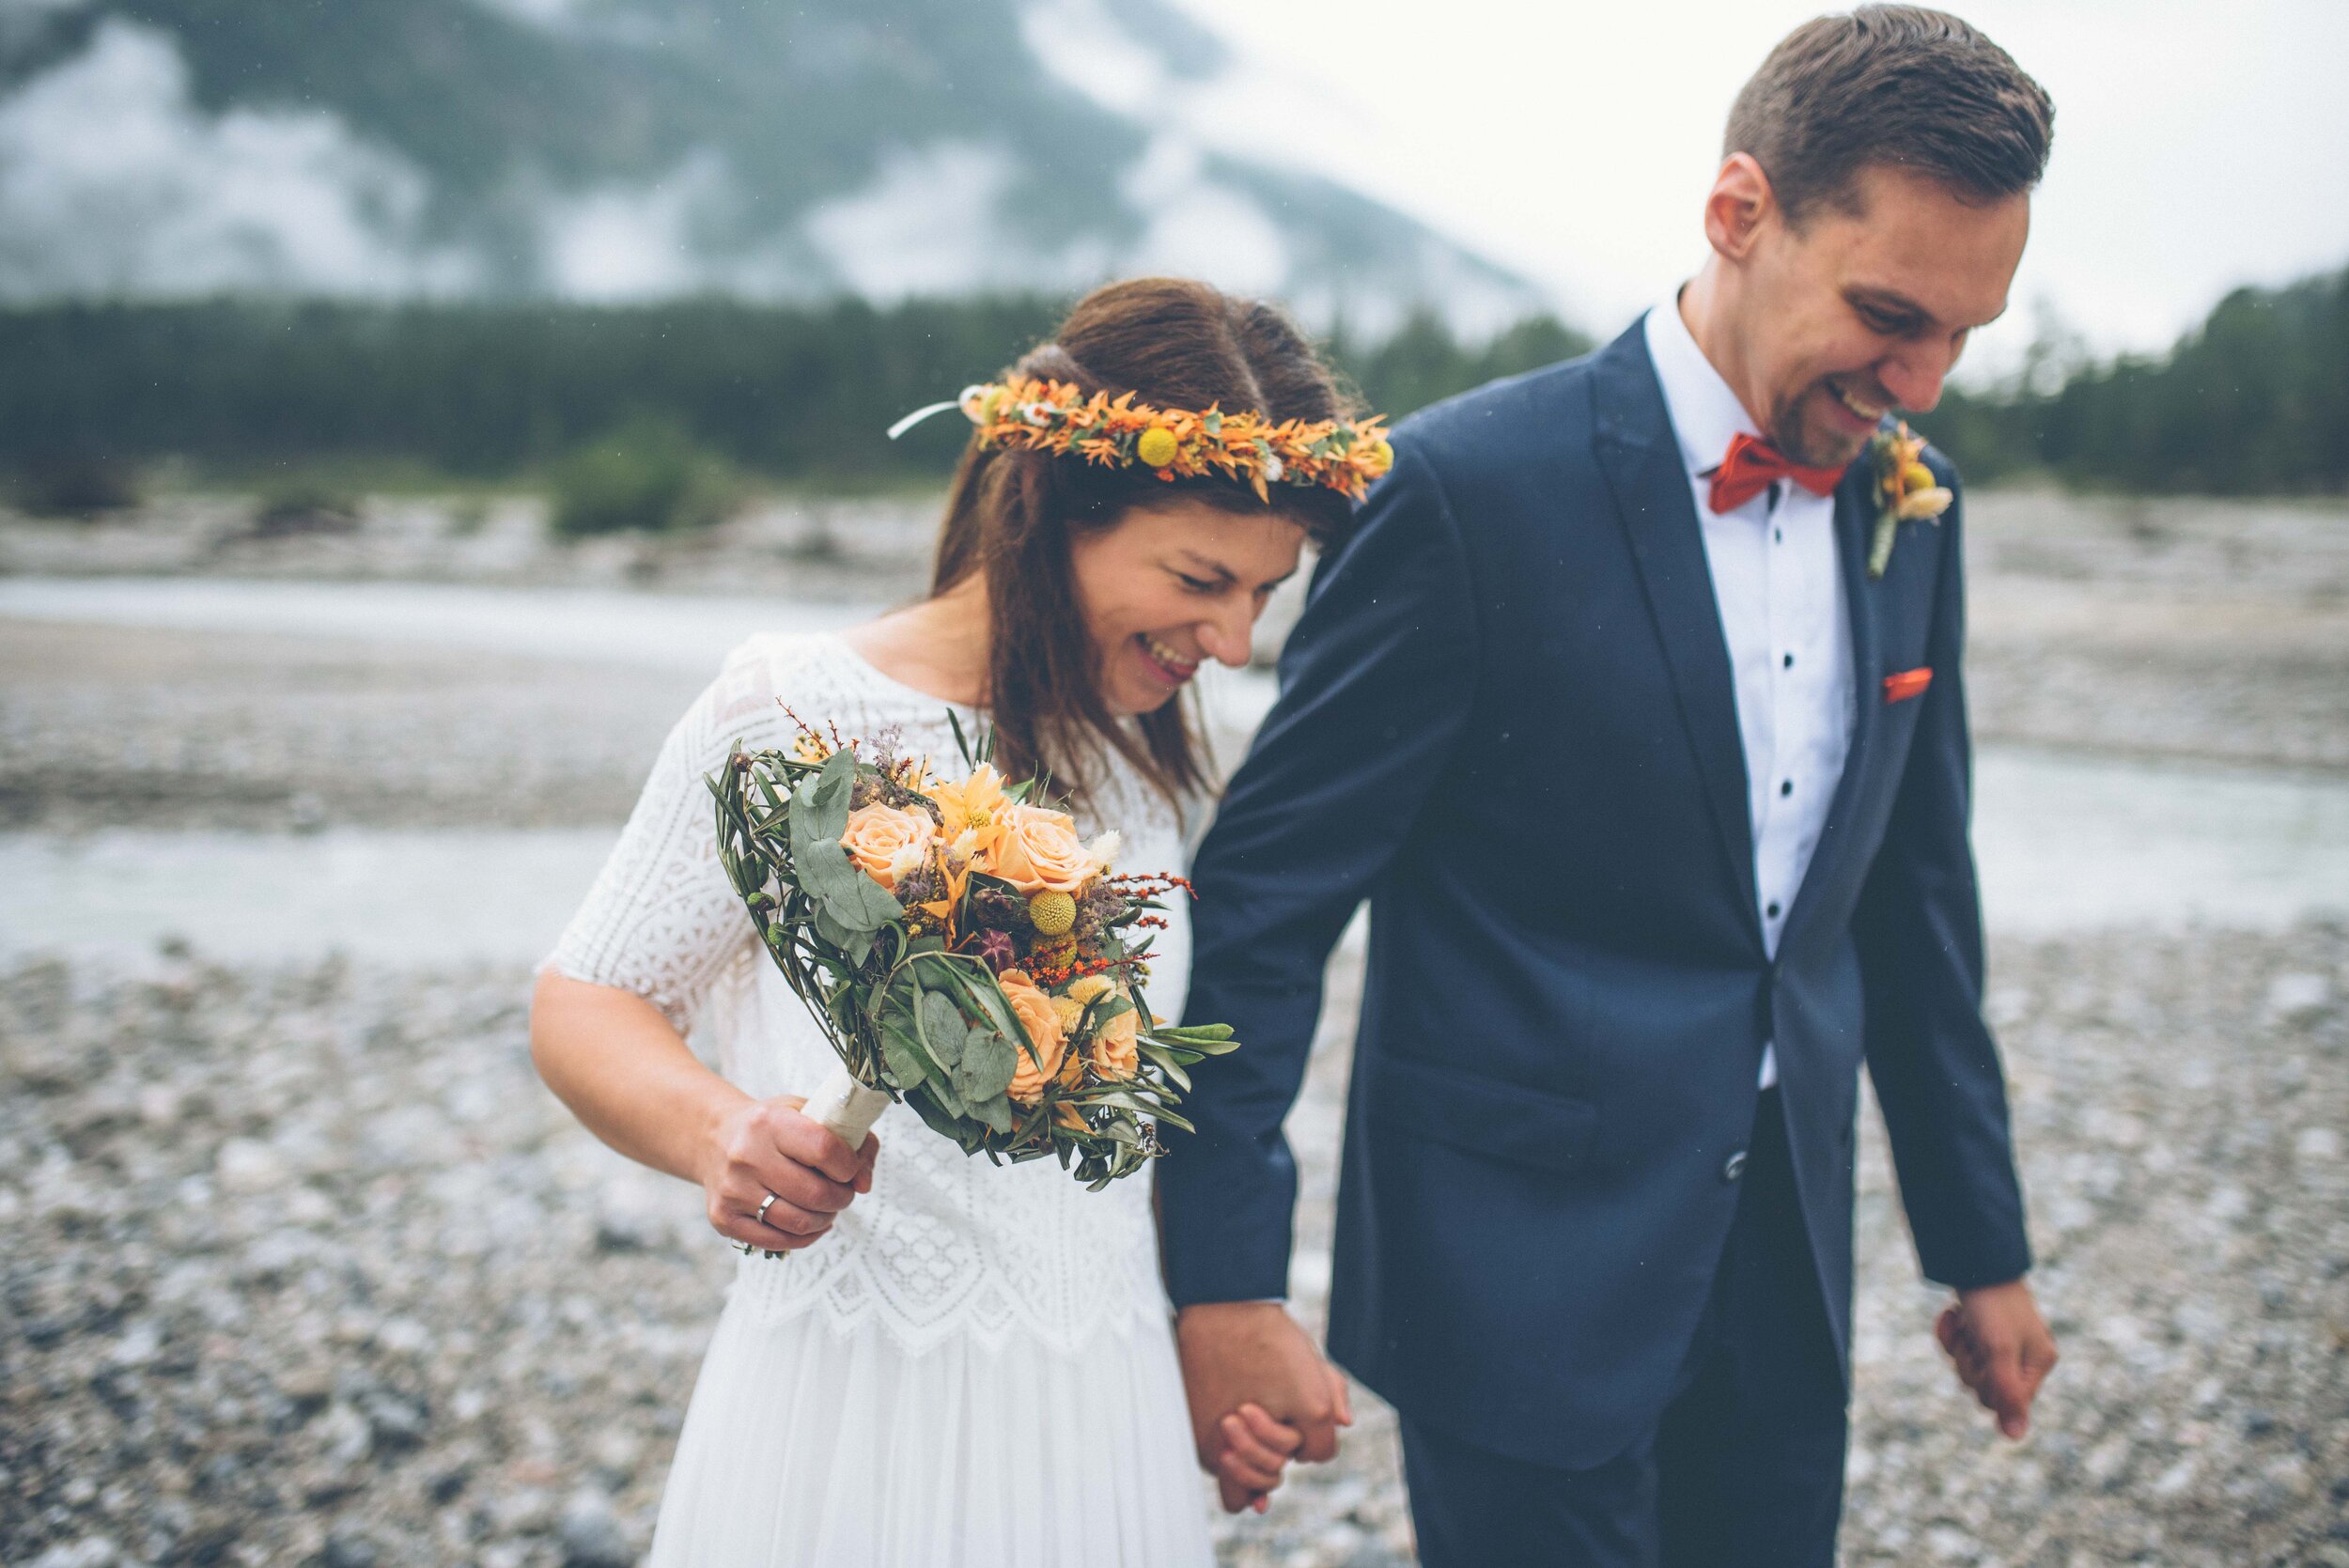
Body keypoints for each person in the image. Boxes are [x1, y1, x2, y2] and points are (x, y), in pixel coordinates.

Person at [1159, 8, 2062, 1563]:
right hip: (1514, 1270)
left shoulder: (1913, 508)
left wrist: (1980, 1246)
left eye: (1965, 333)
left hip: (1785, 1255)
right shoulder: (1460, 494)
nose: (1921, 380)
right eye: (1890, 314)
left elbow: (1914, 896)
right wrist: (1225, 1284)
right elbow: (1259, 910)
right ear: (1739, 213)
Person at [529, 276, 1370, 1567]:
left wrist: (1215, 1326)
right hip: (856, 1404)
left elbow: (1123, 1116)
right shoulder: (789, 709)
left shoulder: (1138, 759)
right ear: (1051, 511)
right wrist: (719, 1134)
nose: (1238, 642)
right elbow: (589, 996)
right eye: (1203, 579)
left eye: (1264, 592)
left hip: (1100, 1404)